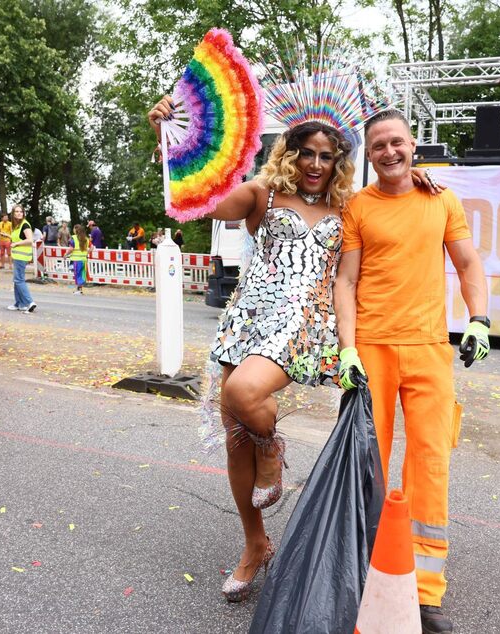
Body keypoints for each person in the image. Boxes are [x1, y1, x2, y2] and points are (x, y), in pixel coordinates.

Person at [150, 92, 373, 603]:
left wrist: (421, 179)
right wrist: (174, 141)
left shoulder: (349, 206)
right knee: (236, 436)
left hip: (303, 321)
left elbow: (386, 217)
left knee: (245, 396)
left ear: (339, 162)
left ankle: (274, 447)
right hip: (248, 316)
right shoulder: (262, 195)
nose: (316, 164)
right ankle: (255, 546)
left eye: (327, 156)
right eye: (307, 153)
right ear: (288, 153)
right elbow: (199, 201)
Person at [334, 109, 490, 634]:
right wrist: (348, 348)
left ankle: (424, 592)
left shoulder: (441, 198)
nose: (390, 152)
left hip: (428, 349)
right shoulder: (358, 206)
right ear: (369, 155)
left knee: (429, 465)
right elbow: (346, 282)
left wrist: (480, 321)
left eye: (396, 142)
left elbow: (468, 265)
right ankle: (359, 572)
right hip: (372, 349)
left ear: (413, 143)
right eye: (378, 146)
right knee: (365, 465)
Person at [7, 204, 37, 312]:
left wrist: (16, 244)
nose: (19, 213)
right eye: (17, 211)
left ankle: (29, 302)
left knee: (19, 280)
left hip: (21, 257)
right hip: (18, 256)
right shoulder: (17, 226)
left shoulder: (25, 225)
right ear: (13, 213)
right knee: (17, 280)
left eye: (21, 211)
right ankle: (19, 304)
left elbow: (30, 239)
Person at [67, 223, 89, 294]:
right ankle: (80, 289)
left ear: (75, 230)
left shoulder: (73, 238)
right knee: (82, 275)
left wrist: (65, 254)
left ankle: (79, 290)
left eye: (73, 228)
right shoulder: (86, 238)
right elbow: (92, 247)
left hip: (76, 260)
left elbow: (71, 249)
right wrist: (87, 252)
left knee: (77, 275)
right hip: (84, 260)